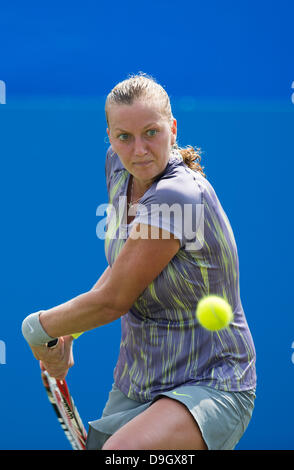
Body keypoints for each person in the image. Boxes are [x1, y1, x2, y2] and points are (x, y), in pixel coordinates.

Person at [22, 73, 256, 451]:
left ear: (173, 129)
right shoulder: (118, 168)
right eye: (124, 137)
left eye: (152, 132)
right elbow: (125, 266)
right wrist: (68, 332)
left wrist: (38, 328)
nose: (139, 150)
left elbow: (115, 299)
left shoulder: (178, 194)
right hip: (139, 383)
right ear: (111, 137)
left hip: (212, 382)